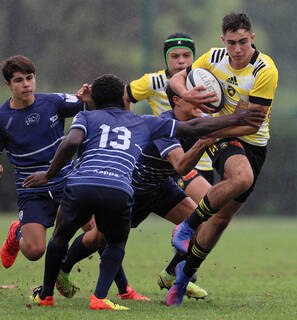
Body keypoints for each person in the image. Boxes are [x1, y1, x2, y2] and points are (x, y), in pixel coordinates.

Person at [23, 73, 265, 310]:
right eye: (195, 100)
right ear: (177, 100)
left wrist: (48, 175)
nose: (202, 106)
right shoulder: (153, 123)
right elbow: (186, 151)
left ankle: (171, 273)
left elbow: (72, 142)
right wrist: (228, 124)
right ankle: (77, 280)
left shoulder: (94, 117)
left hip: (145, 186)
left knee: (200, 223)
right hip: (130, 188)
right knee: (104, 239)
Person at [166, 12, 278, 306]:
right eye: (232, 43)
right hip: (223, 137)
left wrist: (214, 131)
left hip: (252, 141)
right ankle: (187, 226)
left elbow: (252, 124)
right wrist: (187, 94)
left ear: (252, 39)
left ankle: (182, 278)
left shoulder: (264, 70)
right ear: (222, 41)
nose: (238, 49)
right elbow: (178, 77)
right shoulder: (213, 57)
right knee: (241, 177)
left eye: (243, 42)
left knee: (222, 218)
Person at [0, 55, 84, 269]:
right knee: (35, 251)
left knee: (96, 231)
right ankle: (17, 232)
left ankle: (67, 271)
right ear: (8, 84)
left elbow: (88, 103)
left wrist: (90, 95)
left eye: (29, 78)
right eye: (19, 80)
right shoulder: (3, 118)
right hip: (32, 190)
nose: (26, 84)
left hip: (67, 182)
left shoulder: (53, 102)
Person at [124, 32, 213, 202]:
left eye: (186, 55)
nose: (181, 61)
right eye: (175, 56)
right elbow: (125, 96)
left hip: (201, 159)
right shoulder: (153, 82)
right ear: (166, 58)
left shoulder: (206, 81)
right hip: (169, 155)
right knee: (203, 213)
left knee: (205, 218)